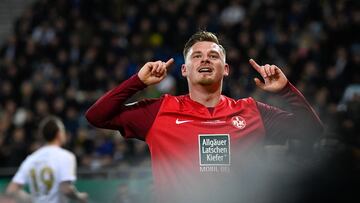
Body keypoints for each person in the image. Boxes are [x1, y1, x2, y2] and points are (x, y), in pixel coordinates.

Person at [86, 31, 323, 203]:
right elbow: (97, 116)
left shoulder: (252, 111)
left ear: (226, 68)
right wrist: (136, 82)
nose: (205, 59)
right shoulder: (159, 110)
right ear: (184, 69)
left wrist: (286, 89)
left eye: (213, 55)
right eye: (196, 56)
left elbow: (312, 131)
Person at [6, 116, 88, 203]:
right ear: (59, 134)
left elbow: (11, 189)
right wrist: (79, 197)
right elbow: (65, 189)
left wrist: (32, 200)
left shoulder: (31, 159)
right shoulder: (66, 156)